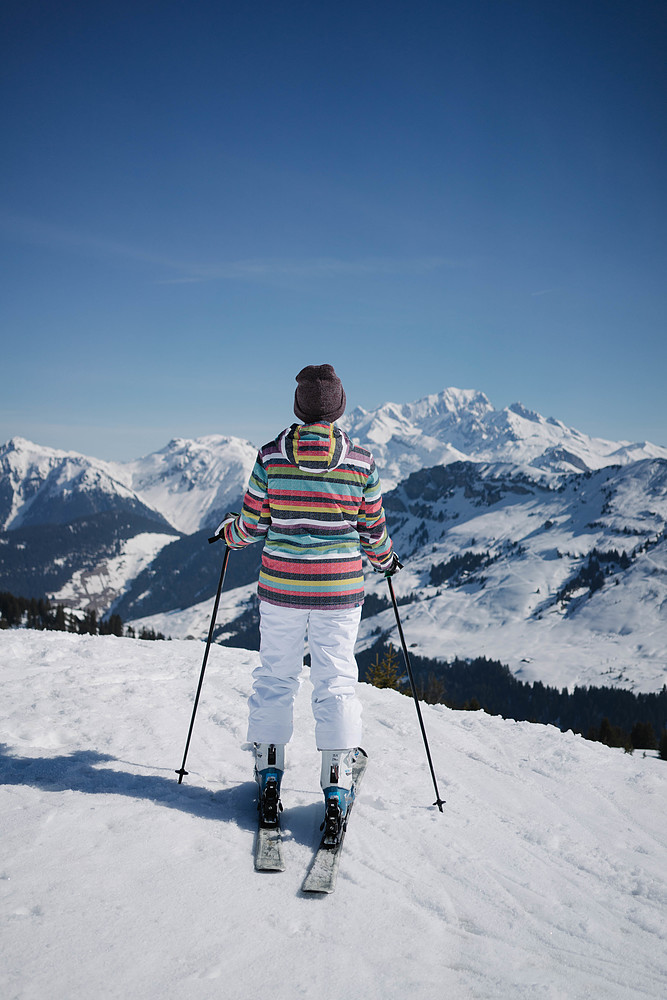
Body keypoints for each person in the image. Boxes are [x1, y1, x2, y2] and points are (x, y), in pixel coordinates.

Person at [216, 363, 400, 839]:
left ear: (298, 408)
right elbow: (372, 531)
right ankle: (337, 788)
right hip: (340, 591)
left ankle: (270, 777)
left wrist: (230, 534)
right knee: (335, 679)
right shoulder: (361, 462)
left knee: (276, 675)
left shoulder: (271, 456)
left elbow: (253, 526)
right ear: (338, 408)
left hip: (281, 589)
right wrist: (386, 561)